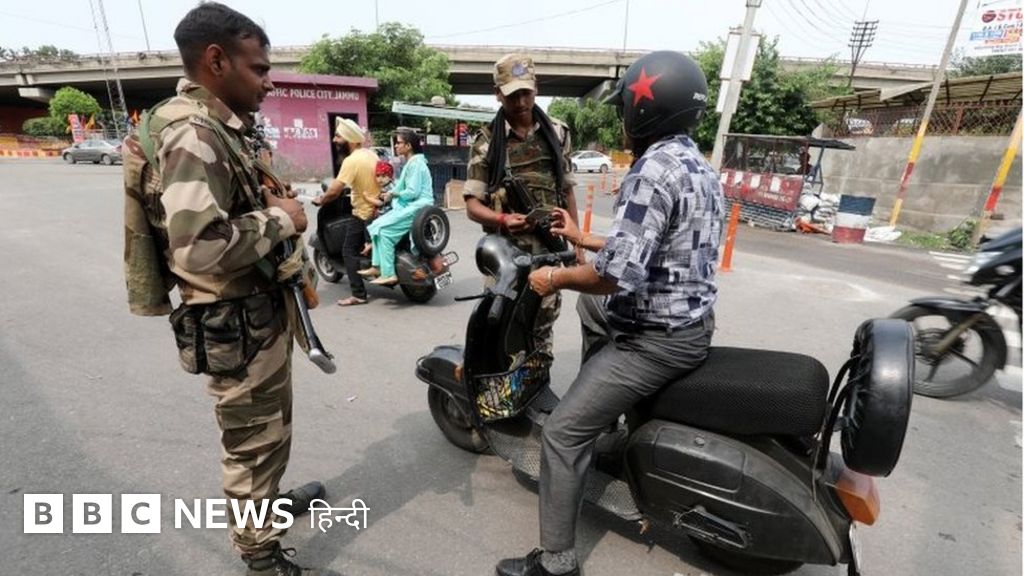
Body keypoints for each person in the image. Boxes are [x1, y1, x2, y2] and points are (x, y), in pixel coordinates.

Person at [495, 51, 724, 576]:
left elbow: (615, 275)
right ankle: (607, 423)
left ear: (645, 111)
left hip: (656, 339)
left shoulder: (650, 171)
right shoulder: (696, 165)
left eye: (625, 109)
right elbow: (652, 245)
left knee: (561, 434)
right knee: (592, 308)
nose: (622, 120)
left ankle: (557, 560)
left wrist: (552, 277)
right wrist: (582, 237)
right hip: (690, 321)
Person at [121, 4, 327, 575]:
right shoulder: (192, 132)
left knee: (269, 430)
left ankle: (267, 506)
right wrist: (283, 218)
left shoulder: (213, 123)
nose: (269, 81)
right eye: (259, 68)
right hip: (235, 319)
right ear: (216, 60)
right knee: (252, 443)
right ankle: (259, 553)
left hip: (254, 312)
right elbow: (199, 248)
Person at [463, 53, 579, 370]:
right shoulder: (487, 142)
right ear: (498, 94)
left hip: (549, 252)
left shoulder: (558, 133)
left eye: (526, 92)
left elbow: (567, 190)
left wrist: (577, 243)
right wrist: (501, 219)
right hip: (506, 258)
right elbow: (472, 205)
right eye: (512, 94)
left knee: (540, 331)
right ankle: (498, 391)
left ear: (536, 88)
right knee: (497, 329)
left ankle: (534, 386)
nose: (521, 102)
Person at [314, 117, 382, 306]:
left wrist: (321, 199)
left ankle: (358, 294)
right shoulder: (372, 155)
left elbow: (335, 190)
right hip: (378, 210)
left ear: (350, 139)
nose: (334, 140)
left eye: (338, 136)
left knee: (348, 251)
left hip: (363, 213)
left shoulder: (351, 161)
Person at [359, 129, 433, 286]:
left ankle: (389, 273)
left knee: (384, 232)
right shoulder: (412, 163)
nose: (396, 146)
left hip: (417, 207)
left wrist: (393, 194)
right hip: (412, 206)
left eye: (399, 143)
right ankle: (377, 266)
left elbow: (413, 192)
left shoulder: (415, 164)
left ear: (408, 146)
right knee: (376, 225)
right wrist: (392, 194)